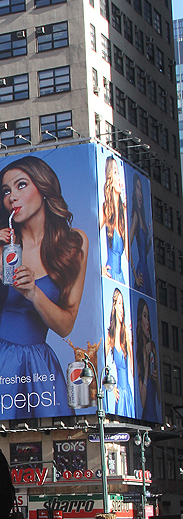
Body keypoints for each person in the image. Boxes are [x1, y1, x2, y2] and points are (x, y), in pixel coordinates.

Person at [0, 157, 88, 421]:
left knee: (52, 442)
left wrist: (35, 294)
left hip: (39, 366)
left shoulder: (74, 243)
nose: (12, 196)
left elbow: (65, 325)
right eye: (6, 191)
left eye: (21, 185)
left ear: (44, 188)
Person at [105, 288, 134, 416]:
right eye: (120, 303)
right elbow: (101, 362)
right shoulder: (110, 337)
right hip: (119, 394)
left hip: (127, 393)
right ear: (114, 305)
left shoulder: (126, 334)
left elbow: (133, 367)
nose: (122, 308)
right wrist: (111, 387)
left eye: (123, 304)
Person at [100, 154, 128, 284]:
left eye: (119, 173)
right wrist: (99, 268)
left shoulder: (123, 212)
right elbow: (89, 234)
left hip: (121, 278)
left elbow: (128, 253)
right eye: (115, 172)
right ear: (110, 178)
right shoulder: (106, 209)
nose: (119, 178)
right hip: (109, 277)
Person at [135, 298, 161, 420]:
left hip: (155, 418)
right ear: (140, 320)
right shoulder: (138, 352)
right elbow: (142, 401)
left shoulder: (153, 348)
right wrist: (145, 362)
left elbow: (160, 399)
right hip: (145, 418)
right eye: (144, 316)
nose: (147, 323)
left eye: (148, 317)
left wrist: (157, 380)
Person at [129, 174, 153, 296]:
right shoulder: (136, 216)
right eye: (137, 188)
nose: (140, 192)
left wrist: (150, 239)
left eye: (140, 189)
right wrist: (135, 275)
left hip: (146, 270)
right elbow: (127, 244)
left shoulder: (142, 216)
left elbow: (145, 250)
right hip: (141, 271)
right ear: (134, 191)